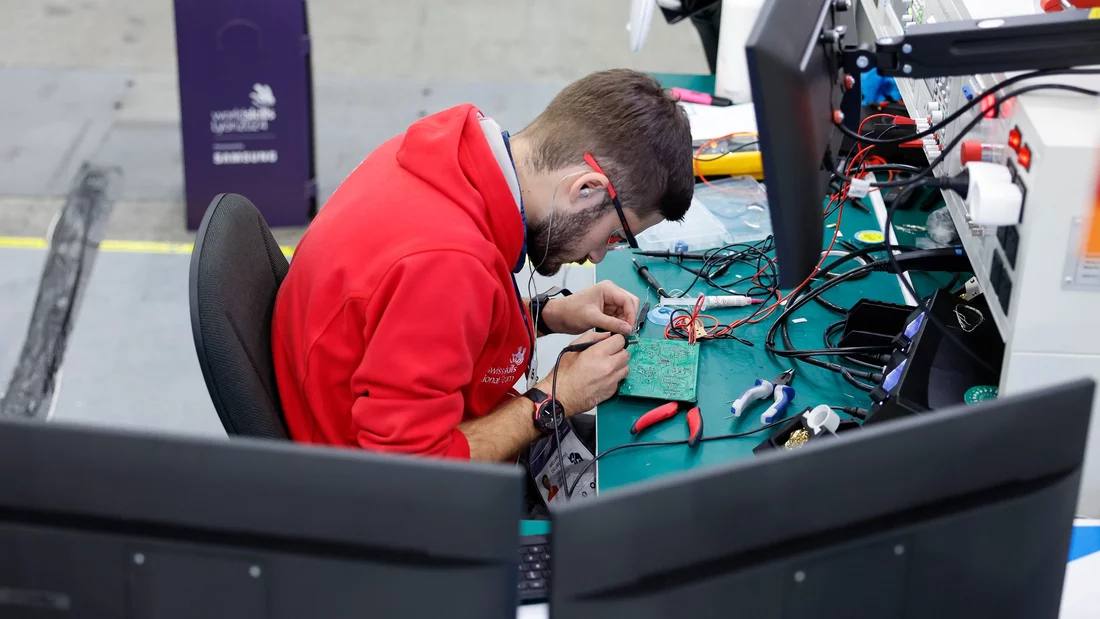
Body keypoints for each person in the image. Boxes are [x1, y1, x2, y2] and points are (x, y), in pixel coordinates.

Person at [272, 69, 693, 462]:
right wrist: (554, 398)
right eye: (615, 236)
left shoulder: (448, 150)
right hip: (379, 502)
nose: (599, 256)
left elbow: (412, 324)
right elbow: (409, 468)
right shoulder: (446, 265)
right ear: (586, 189)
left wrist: (543, 315)